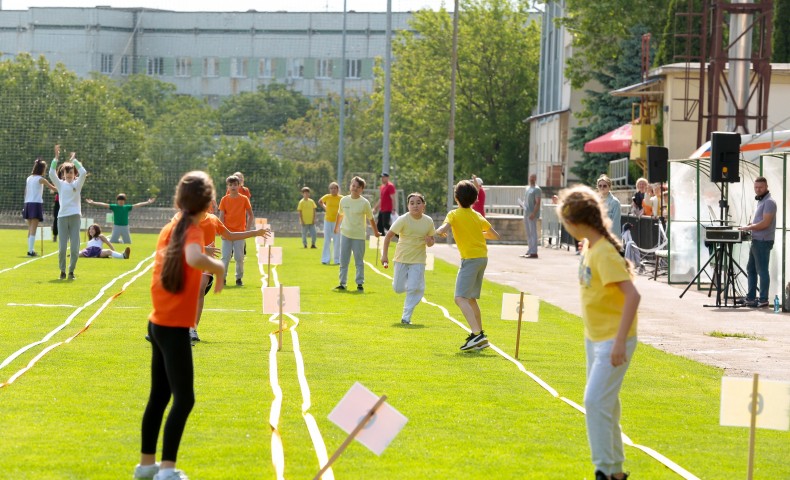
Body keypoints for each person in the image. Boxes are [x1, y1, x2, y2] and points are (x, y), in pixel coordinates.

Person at [133, 171, 226, 480]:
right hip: (172, 328)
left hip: (157, 324)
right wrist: (219, 266)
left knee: (159, 397)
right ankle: (167, 471)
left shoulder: (170, 226)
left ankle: (146, 467)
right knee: (184, 399)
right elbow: (194, 257)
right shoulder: (193, 230)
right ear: (207, 201)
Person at [556, 184, 640, 480]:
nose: (565, 228)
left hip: (612, 341)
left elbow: (633, 296)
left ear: (577, 223)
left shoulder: (603, 252)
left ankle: (603, 470)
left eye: (566, 222)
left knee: (593, 402)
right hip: (595, 339)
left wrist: (619, 342)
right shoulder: (591, 247)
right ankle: (615, 471)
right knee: (607, 406)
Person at [435, 180, 501, 351]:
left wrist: (437, 232)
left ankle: (476, 334)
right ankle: (480, 335)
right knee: (471, 298)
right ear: (475, 199)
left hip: (470, 260)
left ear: (456, 198)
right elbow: (495, 235)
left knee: (459, 298)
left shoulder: (454, 214)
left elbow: (445, 227)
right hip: (482, 259)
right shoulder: (477, 216)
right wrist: (476, 233)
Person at [189, 211, 268, 342]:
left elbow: (230, 235)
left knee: (200, 290)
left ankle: (192, 330)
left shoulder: (213, 219)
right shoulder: (186, 219)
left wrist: (255, 232)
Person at [380, 192, 436, 325]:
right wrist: (384, 255)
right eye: (412, 203)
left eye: (418, 203)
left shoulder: (428, 221)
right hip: (401, 258)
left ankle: (406, 317)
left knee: (412, 288)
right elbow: (388, 236)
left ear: (423, 206)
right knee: (398, 288)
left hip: (419, 260)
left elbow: (431, 242)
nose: (415, 206)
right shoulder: (403, 219)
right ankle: (415, 286)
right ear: (408, 206)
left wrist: (429, 241)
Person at [334, 176, 379, 292]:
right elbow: (340, 214)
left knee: (359, 261)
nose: (355, 188)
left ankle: (359, 283)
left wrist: (376, 232)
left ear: (361, 189)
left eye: (358, 187)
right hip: (345, 234)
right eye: (353, 186)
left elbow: (371, 219)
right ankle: (342, 283)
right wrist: (336, 227)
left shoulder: (365, 203)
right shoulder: (343, 200)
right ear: (350, 186)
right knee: (343, 260)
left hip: (358, 236)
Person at [49, 145, 87, 280]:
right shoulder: (60, 184)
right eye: (67, 173)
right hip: (62, 218)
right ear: (63, 174)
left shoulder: (77, 184)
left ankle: (71, 271)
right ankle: (62, 271)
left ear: (74, 174)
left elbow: (84, 172)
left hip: (75, 217)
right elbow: (51, 173)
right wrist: (56, 158)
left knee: (75, 248)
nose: (69, 175)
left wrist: (74, 160)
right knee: (62, 248)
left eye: (71, 172)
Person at [738, 176, 777, 308]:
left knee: (762, 270)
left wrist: (748, 227)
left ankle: (763, 299)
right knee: (751, 269)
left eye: (760, 187)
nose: (758, 190)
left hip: (763, 240)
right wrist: (751, 225)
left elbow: (765, 223)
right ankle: (750, 297)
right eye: (756, 187)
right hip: (756, 239)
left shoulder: (769, 202)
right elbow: (759, 221)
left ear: (766, 187)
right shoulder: (761, 201)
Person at [218, 174, 253, 286]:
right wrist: (222, 231)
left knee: (239, 257)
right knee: (225, 257)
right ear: (227, 187)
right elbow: (221, 216)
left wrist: (247, 230)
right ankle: (222, 279)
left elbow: (250, 215)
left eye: (235, 185)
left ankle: (239, 279)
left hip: (240, 233)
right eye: (230, 185)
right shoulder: (224, 199)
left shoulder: (244, 199)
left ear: (239, 186)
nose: (233, 187)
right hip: (227, 233)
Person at [86, 194, 156, 244]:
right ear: (117, 201)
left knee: (128, 242)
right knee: (112, 241)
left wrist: (148, 202)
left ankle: (120, 241)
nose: (121, 201)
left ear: (124, 201)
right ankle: (119, 241)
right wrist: (93, 202)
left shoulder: (127, 207)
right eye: (119, 200)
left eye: (122, 200)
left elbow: (137, 205)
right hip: (116, 226)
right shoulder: (114, 207)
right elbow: (104, 204)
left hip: (125, 227)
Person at [23, 157, 56, 256]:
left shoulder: (29, 178)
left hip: (27, 203)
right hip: (36, 204)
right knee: (33, 228)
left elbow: (26, 192)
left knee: (30, 228)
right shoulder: (41, 179)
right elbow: (53, 188)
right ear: (41, 169)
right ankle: (30, 251)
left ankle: (31, 249)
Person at [319, 182, 342, 265]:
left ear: (337, 189)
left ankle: (337, 260)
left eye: (334, 188)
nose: (333, 190)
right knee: (327, 240)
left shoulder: (341, 198)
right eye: (331, 188)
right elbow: (320, 201)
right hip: (328, 220)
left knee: (337, 240)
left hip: (338, 221)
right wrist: (326, 208)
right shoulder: (327, 197)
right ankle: (325, 259)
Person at [520, 173, 541, 259]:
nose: (531, 179)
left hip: (532, 214)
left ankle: (534, 252)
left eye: (533, 178)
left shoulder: (537, 189)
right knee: (528, 233)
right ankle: (529, 250)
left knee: (533, 233)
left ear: (535, 179)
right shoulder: (527, 188)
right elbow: (526, 200)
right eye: (530, 178)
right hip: (526, 213)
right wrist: (522, 204)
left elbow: (538, 202)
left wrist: (534, 213)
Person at [597, 174, 621, 238]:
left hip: (609, 237)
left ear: (609, 187)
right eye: (600, 186)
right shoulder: (595, 201)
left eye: (605, 186)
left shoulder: (615, 202)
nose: (602, 188)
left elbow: (615, 224)